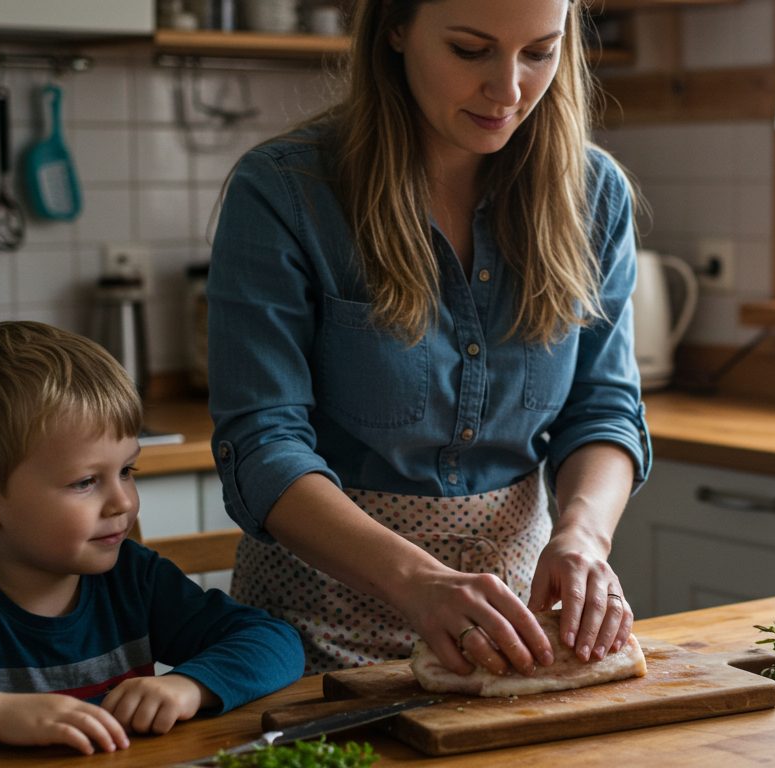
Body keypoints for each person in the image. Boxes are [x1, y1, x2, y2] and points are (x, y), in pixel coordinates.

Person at [207, 0, 650, 678]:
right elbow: (262, 444)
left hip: (512, 631)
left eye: (539, 52)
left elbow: (604, 409)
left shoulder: (594, 194)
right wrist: (418, 581)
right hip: (315, 634)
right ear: (395, 27)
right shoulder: (286, 191)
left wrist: (583, 536)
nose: (509, 90)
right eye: (470, 50)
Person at [0, 321, 304, 755]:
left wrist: (190, 685)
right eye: (85, 482)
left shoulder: (136, 580)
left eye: (127, 471)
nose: (123, 502)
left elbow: (276, 643)